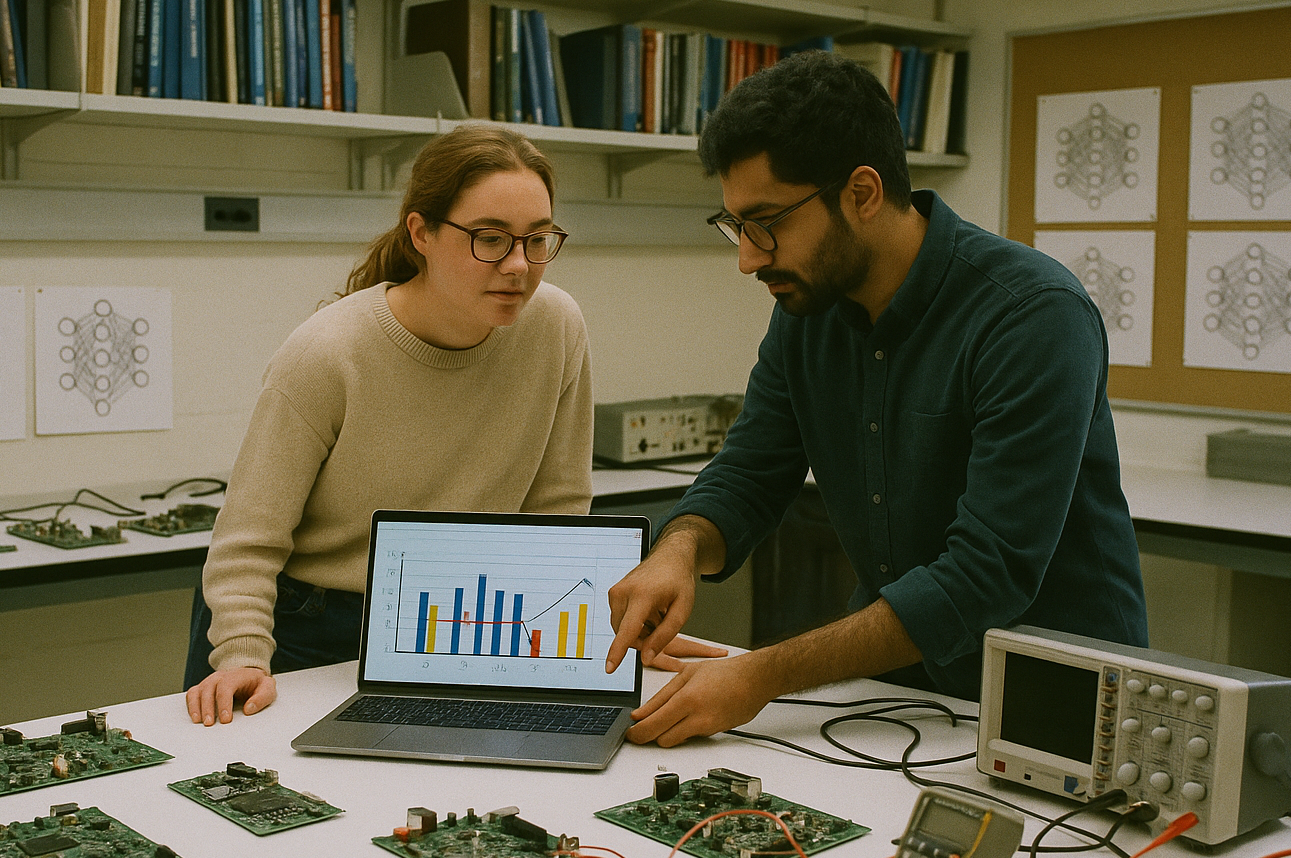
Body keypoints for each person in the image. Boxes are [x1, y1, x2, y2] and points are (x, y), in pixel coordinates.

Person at [605, 51, 1148, 748]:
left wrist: (759, 675)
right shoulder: (807, 314)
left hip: (1054, 715)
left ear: (862, 193)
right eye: (736, 225)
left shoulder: (1032, 315)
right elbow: (749, 474)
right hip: (898, 705)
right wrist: (679, 548)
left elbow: (986, 576)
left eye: (766, 223)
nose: (747, 257)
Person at [184, 125, 592, 726]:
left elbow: (558, 508)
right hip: (306, 625)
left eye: (537, 240)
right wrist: (243, 652)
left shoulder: (556, 326)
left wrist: (574, 636)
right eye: (490, 239)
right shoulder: (326, 354)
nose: (518, 265)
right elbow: (247, 538)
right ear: (421, 232)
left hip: (458, 622)